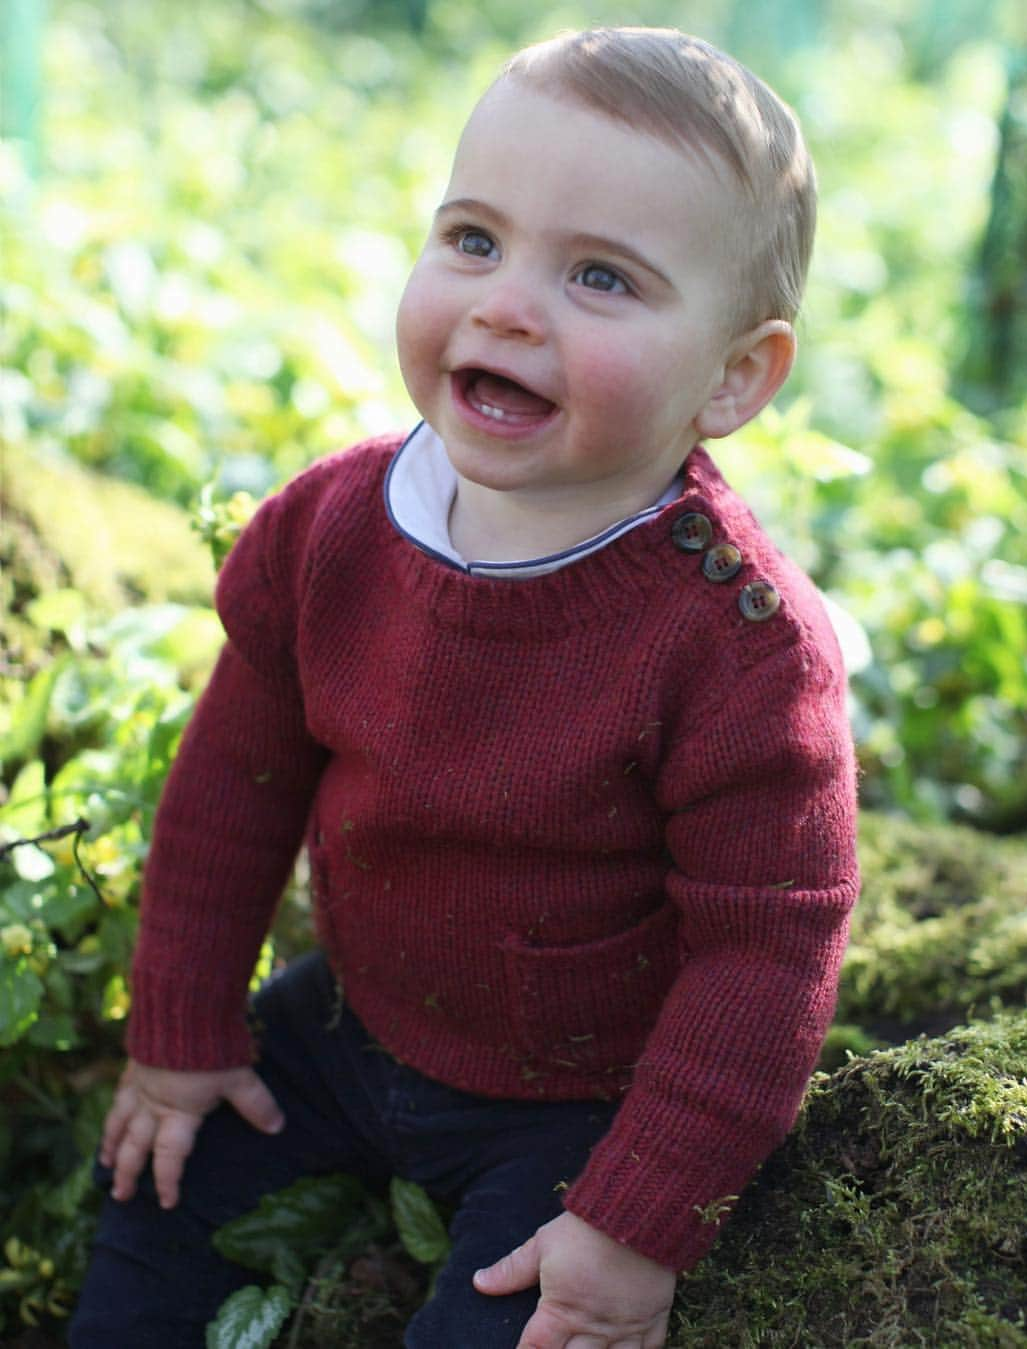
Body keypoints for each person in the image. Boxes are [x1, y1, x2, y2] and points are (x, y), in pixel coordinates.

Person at [70, 25, 859, 1349]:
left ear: (735, 377)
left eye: (601, 277)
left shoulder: (736, 642)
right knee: (153, 1195)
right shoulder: (335, 528)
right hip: (347, 1015)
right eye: (474, 240)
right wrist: (186, 1024)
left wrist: (638, 1219)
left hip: (581, 1092)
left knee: (516, 1326)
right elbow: (235, 788)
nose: (504, 306)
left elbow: (769, 944)